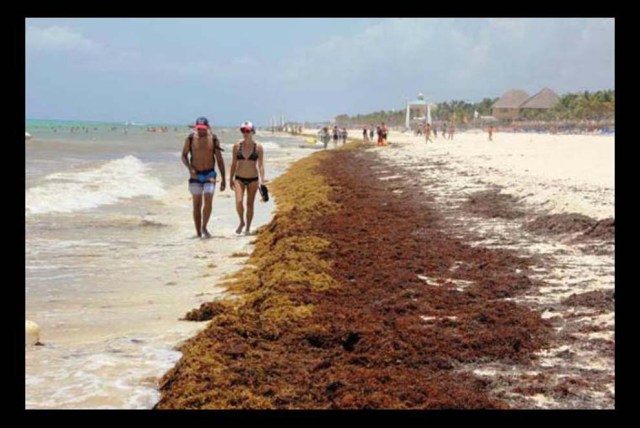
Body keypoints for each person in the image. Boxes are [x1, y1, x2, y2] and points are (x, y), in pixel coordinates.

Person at [181, 116, 226, 239]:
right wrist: (189, 168)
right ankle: (198, 233)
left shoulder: (214, 139)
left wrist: (224, 179)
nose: (201, 130)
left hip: (209, 174)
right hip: (195, 175)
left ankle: (204, 226)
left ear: (207, 127)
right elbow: (184, 155)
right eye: (199, 128)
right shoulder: (190, 139)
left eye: (203, 128)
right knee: (196, 204)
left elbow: (220, 160)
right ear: (196, 127)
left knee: (208, 198)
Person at [229, 121, 266, 235]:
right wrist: (230, 179)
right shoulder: (237, 146)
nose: (245, 133)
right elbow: (234, 163)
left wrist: (262, 181)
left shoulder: (258, 147)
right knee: (239, 202)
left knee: (250, 204)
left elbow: (260, 165)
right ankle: (241, 222)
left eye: (247, 130)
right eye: (243, 130)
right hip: (239, 178)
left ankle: (248, 228)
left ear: (252, 131)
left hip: (253, 179)